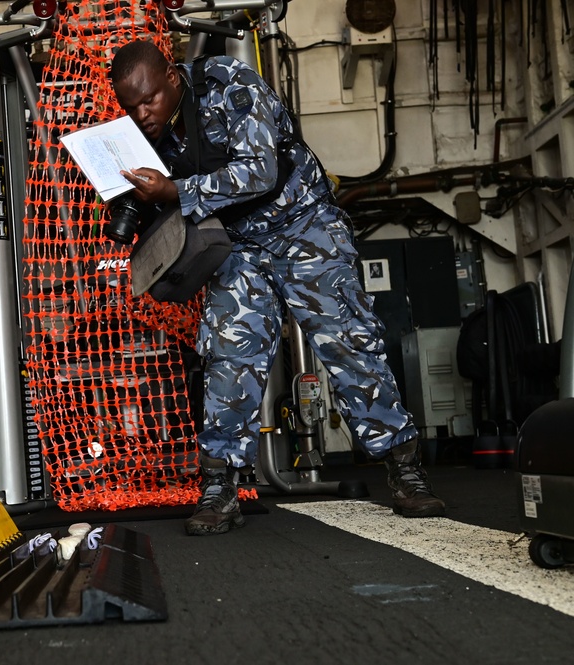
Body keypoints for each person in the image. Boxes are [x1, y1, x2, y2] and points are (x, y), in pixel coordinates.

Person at [108, 39, 446, 535]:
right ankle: (221, 488)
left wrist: (176, 190)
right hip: (237, 245)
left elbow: (261, 171)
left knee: (351, 346)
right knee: (228, 358)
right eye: (130, 107)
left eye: (149, 100)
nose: (142, 114)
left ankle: (404, 469)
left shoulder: (228, 83)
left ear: (172, 79)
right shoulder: (148, 135)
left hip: (302, 226)